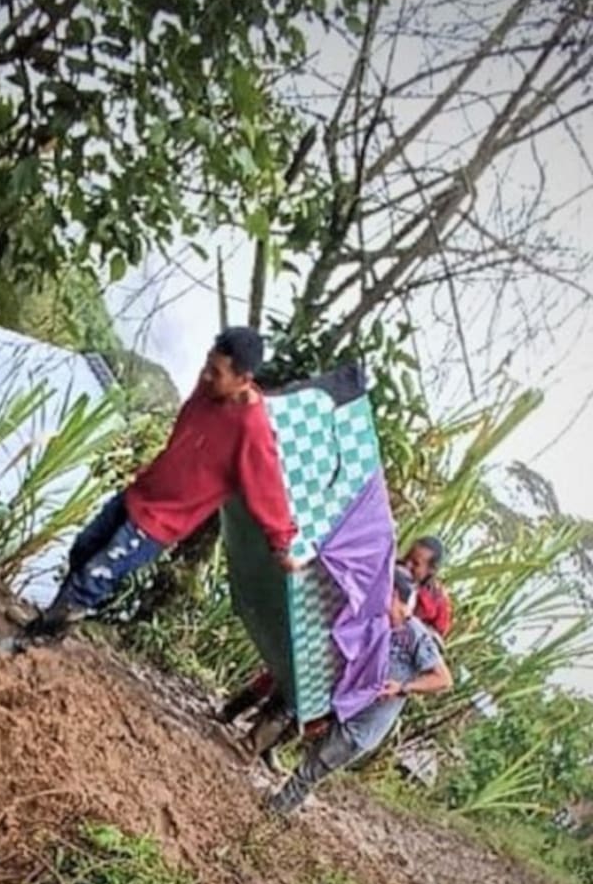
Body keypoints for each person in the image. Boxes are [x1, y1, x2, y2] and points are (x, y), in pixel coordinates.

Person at [24, 326, 298, 638]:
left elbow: (267, 490)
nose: (206, 375)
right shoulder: (208, 387)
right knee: (85, 547)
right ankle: (55, 619)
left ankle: (38, 637)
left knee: (96, 574)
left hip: (161, 521)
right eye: (207, 364)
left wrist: (281, 545)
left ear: (243, 380)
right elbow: (189, 438)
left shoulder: (253, 431)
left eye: (216, 372)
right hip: (142, 491)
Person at [266, 568, 452, 815]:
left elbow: (443, 679)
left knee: (313, 768)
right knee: (312, 761)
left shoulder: (414, 634)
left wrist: (403, 688)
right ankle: (278, 807)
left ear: (393, 594)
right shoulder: (382, 625)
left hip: (363, 727)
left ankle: (275, 812)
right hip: (349, 711)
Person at [401, 535, 452, 639]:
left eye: (416, 563)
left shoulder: (438, 600)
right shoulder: (390, 572)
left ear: (432, 569)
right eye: (407, 557)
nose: (407, 565)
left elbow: (437, 638)